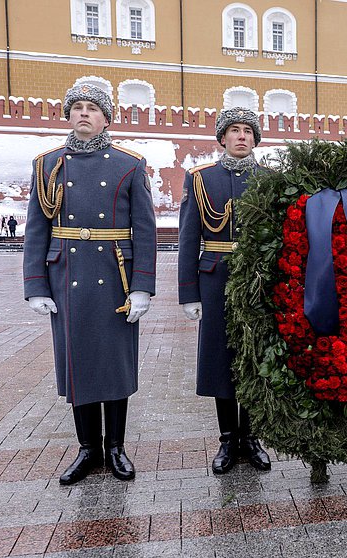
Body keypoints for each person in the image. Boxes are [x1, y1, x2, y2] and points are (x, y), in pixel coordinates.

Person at [23, 83, 157, 485]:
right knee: (78, 364)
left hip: (115, 277)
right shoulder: (47, 165)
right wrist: (36, 285)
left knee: (114, 365)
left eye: (92, 109)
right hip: (68, 278)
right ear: (68, 115)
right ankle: (87, 449)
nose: (84, 114)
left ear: (106, 118)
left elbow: (145, 231)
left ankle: (115, 448)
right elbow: (36, 228)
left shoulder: (128, 164)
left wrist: (142, 287)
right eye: (77, 108)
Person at [178, 107, 272, 474]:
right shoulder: (201, 178)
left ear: (255, 139)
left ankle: (251, 437)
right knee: (221, 359)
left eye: (248, 131)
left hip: (257, 279)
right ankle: (227, 439)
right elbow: (188, 238)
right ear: (222, 138)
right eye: (234, 130)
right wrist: (189, 293)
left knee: (253, 356)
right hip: (215, 278)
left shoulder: (269, 179)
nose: (242, 136)